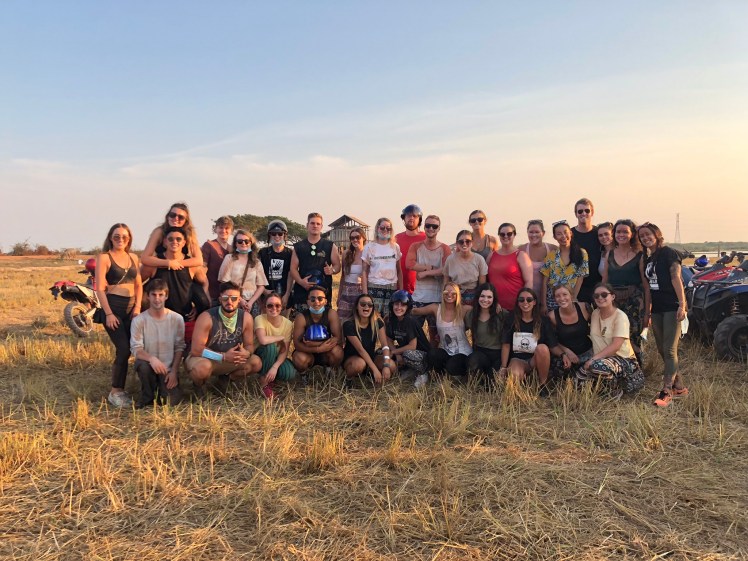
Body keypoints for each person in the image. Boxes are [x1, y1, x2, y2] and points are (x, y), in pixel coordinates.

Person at [638, 223, 689, 407]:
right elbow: (648, 288)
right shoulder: (648, 258)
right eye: (642, 236)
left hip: (672, 306)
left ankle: (666, 390)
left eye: (648, 234)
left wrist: (682, 304)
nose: (645, 238)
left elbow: (676, 277)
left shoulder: (669, 253)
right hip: (657, 308)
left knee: (669, 350)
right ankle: (679, 386)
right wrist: (648, 311)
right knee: (661, 349)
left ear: (657, 234)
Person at [186, 281, 262, 397]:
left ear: (239, 300)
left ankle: (225, 381)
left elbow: (249, 345)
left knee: (256, 363)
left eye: (234, 298)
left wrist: (246, 353)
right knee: (202, 369)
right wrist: (223, 356)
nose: (230, 302)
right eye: (226, 298)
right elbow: (196, 350)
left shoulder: (246, 318)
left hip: (230, 359)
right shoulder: (207, 317)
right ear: (220, 299)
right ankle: (199, 386)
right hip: (206, 359)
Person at [95, 223, 143, 407]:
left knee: (134, 347)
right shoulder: (104, 258)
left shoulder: (133, 257)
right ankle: (115, 391)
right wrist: (108, 314)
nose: (120, 239)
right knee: (123, 349)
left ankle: (135, 384)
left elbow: (138, 285)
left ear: (129, 238)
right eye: (116, 236)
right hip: (113, 307)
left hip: (131, 310)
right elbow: (100, 288)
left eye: (124, 236)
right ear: (110, 238)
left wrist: (137, 307)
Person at [576, 283, 645, 398]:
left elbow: (616, 346)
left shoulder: (620, 317)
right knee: (578, 381)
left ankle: (616, 391)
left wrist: (593, 359)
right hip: (601, 358)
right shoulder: (595, 313)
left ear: (612, 296)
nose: (600, 298)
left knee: (598, 367)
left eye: (604, 295)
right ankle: (601, 388)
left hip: (623, 359)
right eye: (596, 296)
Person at [150, 226, 211, 344]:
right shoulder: (155, 263)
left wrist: (198, 305)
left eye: (178, 239)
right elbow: (138, 283)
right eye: (170, 239)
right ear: (165, 242)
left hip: (186, 318)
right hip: (160, 319)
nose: (174, 242)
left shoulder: (191, 265)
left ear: (184, 242)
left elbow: (205, 282)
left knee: (188, 350)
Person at [130, 278, 185, 408]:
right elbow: (136, 349)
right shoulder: (139, 320)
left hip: (167, 370)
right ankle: (147, 395)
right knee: (142, 365)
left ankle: (163, 389)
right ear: (147, 296)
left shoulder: (177, 319)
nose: (157, 299)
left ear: (166, 296)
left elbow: (180, 347)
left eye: (161, 295)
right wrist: (152, 359)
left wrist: (174, 372)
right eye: (153, 295)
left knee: (169, 403)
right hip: (149, 366)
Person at [602, 219, 650, 366]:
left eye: (625, 232)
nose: (621, 235)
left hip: (635, 303)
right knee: (614, 336)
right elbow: (604, 282)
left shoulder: (640, 255)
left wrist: (647, 312)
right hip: (614, 302)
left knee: (634, 337)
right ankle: (617, 368)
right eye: (618, 232)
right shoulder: (609, 254)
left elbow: (646, 286)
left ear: (632, 234)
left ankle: (636, 369)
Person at [500, 288, 557, 395]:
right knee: (514, 375)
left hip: (535, 359)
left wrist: (564, 354)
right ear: (518, 302)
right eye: (521, 300)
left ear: (534, 302)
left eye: (529, 300)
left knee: (542, 348)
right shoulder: (511, 319)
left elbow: (553, 345)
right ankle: (526, 381)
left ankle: (542, 384)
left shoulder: (544, 321)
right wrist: (503, 367)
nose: (525, 302)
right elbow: (506, 344)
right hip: (517, 359)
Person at [405, 215, 451, 345]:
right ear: (423, 227)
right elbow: (409, 264)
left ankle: (433, 356)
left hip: (437, 298)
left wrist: (425, 273)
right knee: (412, 332)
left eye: (434, 226)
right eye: (428, 225)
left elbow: (446, 270)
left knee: (435, 336)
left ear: (439, 228)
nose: (431, 228)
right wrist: (431, 268)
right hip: (419, 298)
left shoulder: (445, 248)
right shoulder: (416, 246)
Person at [413, 282, 472, 380]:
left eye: (453, 293)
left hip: (462, 352)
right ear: (442, 293)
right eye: (446, 292)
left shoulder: (463, 309)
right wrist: (398, 310)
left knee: (452, 366)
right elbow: (416, 311)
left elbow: (482, 310)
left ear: (458, 295)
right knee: (432, 354)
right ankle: (442, 374)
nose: (449, 295)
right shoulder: (436, 308)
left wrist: (496, 307)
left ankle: (458, 373)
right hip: (445, 351)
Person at [140, 203, 204, 284]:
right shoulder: (159, 231)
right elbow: (145, 258)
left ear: (186, 220)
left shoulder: (189, 234)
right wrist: (168, 263)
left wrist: (176, 264)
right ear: (168, 216)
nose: (176, 218)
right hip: (161, 270)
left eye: (181, 217)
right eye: (172, 215)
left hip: (182, 271)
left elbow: (199, 260)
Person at [290, 213, 341, 312]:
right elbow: (293, 268)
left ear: (321, 226)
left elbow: (337, 266)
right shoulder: (298, 246)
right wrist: (301, 282)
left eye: (318, 224)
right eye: (312, 223)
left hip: (323, 294)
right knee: (301, 319)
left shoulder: (330, 246)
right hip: (302, 293)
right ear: (307, 225)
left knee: (323, 320)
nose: (315, 226)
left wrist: (332, 270)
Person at [291, 285, 344, 374]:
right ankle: (304, 374)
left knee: (337, 352)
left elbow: (338, 339)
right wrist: (318, 349)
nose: (316, 302)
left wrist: (317, 345)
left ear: (325, 301)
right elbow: (297, 344)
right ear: (307, 302)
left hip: (327, 351)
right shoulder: (301, 317)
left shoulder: (331, 313)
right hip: (307, 352)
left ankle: (330, 370)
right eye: (312, 299)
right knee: (299, 357)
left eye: (320, 299)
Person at [254, 292, 297, 400]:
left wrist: (275, 367)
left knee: (289, 373)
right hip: (262, 355)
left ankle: (271, 377)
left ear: (282, 307)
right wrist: (280, 337)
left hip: (276, 356)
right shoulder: (259, 319)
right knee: (271, 347)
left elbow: (284, 350)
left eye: (277, 305)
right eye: (270, 305)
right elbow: (263, 340)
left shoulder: (288, 324)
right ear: (265, 307)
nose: (274, 308)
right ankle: (264, 383)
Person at [384, 290, 431, 388]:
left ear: (408, 307)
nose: (399, 308)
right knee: (381, 352)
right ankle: (410, 370)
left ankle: (423, 373)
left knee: (407, 354)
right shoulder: (392, 319)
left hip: (421, 354)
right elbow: (388, 339)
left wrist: (395, 352)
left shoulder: (410, 321)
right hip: (404, 351)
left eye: (403, 305)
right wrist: (396, 353)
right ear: (392, 305)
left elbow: (412, 346)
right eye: (396, 304)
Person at [540, 220, 589, 313]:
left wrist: (573, 298)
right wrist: (544, 304)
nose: (563, 236)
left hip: (570, 300)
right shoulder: (551, 256)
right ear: (555, 237)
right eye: (559, 234)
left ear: (570, 233)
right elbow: (544, 281)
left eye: (565, 232)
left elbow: (580, 278)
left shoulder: (581, 253)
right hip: (552, 300)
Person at [342, 293, 392, 385]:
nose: (366, 307)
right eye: (363, 304)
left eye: (370, 305)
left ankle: (371, 376)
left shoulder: (377, 322)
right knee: (359, 364)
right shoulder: (349, 324)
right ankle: (348, 379)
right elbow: (360, 350)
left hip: (371, 357)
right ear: (356, 307)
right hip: (353, 359)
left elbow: (385, 346)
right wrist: (375, 369)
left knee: (391, 365)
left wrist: (386, 365)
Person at [218, 229, 267, 317]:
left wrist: (250, 302)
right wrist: (240, 300)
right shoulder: (229, 258)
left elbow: (261, 285)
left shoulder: (256, 262)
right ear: (235, 244)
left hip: (252, 303)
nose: (243, 243)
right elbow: (224, 282)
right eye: (240, 241)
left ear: (251, 243)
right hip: (233, 301)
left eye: (246, 241)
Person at [547, 284, 592, 378]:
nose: (561, 298)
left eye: (565, 294)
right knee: (560, 372)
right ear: (554, 299)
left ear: (571, 295)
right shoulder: (552, 316)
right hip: (566, 355)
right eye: (557, 296)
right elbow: (552, 340)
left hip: (587, 352)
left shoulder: (584, 307)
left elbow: (595, 328)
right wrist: (566, 352)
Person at [487, 222, 533, 311]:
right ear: (499, 235)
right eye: (502, 234)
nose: (505, 236)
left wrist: (524, 303)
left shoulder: (521, 255)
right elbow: (486, 280)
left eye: (509, 234)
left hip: (515, 307)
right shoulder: (492, 255)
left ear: (514, 235)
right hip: (494, 306)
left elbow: (529, 282)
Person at [361, 217, 403, 316]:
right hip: (374, 286)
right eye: (382, 228)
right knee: (374, 318)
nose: (385, 230)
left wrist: (400, 291)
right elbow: (364, 272)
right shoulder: (369, 247)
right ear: (377, 228)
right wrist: (365, 294)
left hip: (391, 287)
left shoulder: (395, 247)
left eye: (388, 228)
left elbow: (399, 270)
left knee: (389, 318)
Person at [466, 283, 505, 385]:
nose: (485, 300)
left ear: (494, 299)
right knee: (473, 361)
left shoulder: (502, 314)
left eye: (489, 297)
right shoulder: (471, 315)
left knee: (491, 386)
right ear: (478, 297)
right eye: (482, 296)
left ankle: (489, 377)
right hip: (480, 352)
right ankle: (477, 378)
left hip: (498, 354)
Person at [442, 230, 488, 306]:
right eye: (461, 242)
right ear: (457, 244)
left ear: (472, 243)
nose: (464, 244)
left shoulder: (479, 259)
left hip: (474, 297)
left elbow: (482, 285)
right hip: (454, 296)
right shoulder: (450, 259)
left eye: (468, 241)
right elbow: (446, 281)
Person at [258, 220, 294, 313]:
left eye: (280, 234)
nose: (277, 236)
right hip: (266, 294)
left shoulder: (290, 253)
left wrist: (287, 294)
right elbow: (257, 274)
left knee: (284, 320)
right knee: (265, 320)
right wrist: (264, 291)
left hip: (284, 294)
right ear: (269, 235)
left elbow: (291, 274)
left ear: (284, 235)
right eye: (273, 234)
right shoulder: (263, 252)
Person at [571, 198, 602, 304]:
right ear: (576, 214)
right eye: (580, 211)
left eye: (587, 210)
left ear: (592, 212)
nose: (583, 213)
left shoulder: (599, 233)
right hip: (577, 286)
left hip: (598, 284)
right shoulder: (570, 235)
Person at [201, 216, 234, 304]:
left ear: (231, 230)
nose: (223, 231)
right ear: (215, 229)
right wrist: (206, 293)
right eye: (221, 227)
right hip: (212, 295)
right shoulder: (209, 245)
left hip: (229, 297)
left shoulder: (233, 250)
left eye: (227, 228)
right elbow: (202, 271)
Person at [337, 227, 366, 324]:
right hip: (346, 291)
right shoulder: (346, 254)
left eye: (357, 237)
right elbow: (343, 276)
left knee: (358, 322)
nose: (355, 240)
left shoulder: (367, 254)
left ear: (363, 238)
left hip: (360, 291)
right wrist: (339, 295)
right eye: (352, 238)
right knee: (341, 320)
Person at [395, 204, 426, 294]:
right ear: (404, 218)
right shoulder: (396, 238)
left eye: (415, 216)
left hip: (420, 291)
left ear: (419, 219)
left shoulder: (426, 239)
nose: (411, 218)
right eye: (408, 215)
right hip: (398, 290)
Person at [523, 219, 557, 297]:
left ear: (543, 233)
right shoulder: (522, 250)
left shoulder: (552, 249)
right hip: (528, 296)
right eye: (531, 232)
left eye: (537, 232)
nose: (534, 235)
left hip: (549, 296)